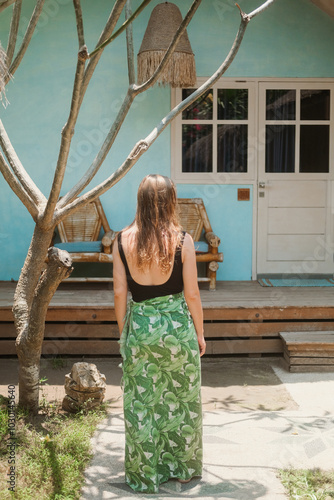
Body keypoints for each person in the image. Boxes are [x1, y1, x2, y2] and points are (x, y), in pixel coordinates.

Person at [112, 174, 206, 494]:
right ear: (171, 200)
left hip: (140, 329)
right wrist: (200, 334)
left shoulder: (121, 240)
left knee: (142, 403)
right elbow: (192, 294)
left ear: (140, 200)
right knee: (182, 401)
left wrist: (126, 334)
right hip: (177, 331)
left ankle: (145, 473)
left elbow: (119, 294)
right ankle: (180, 470)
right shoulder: (183, 240)